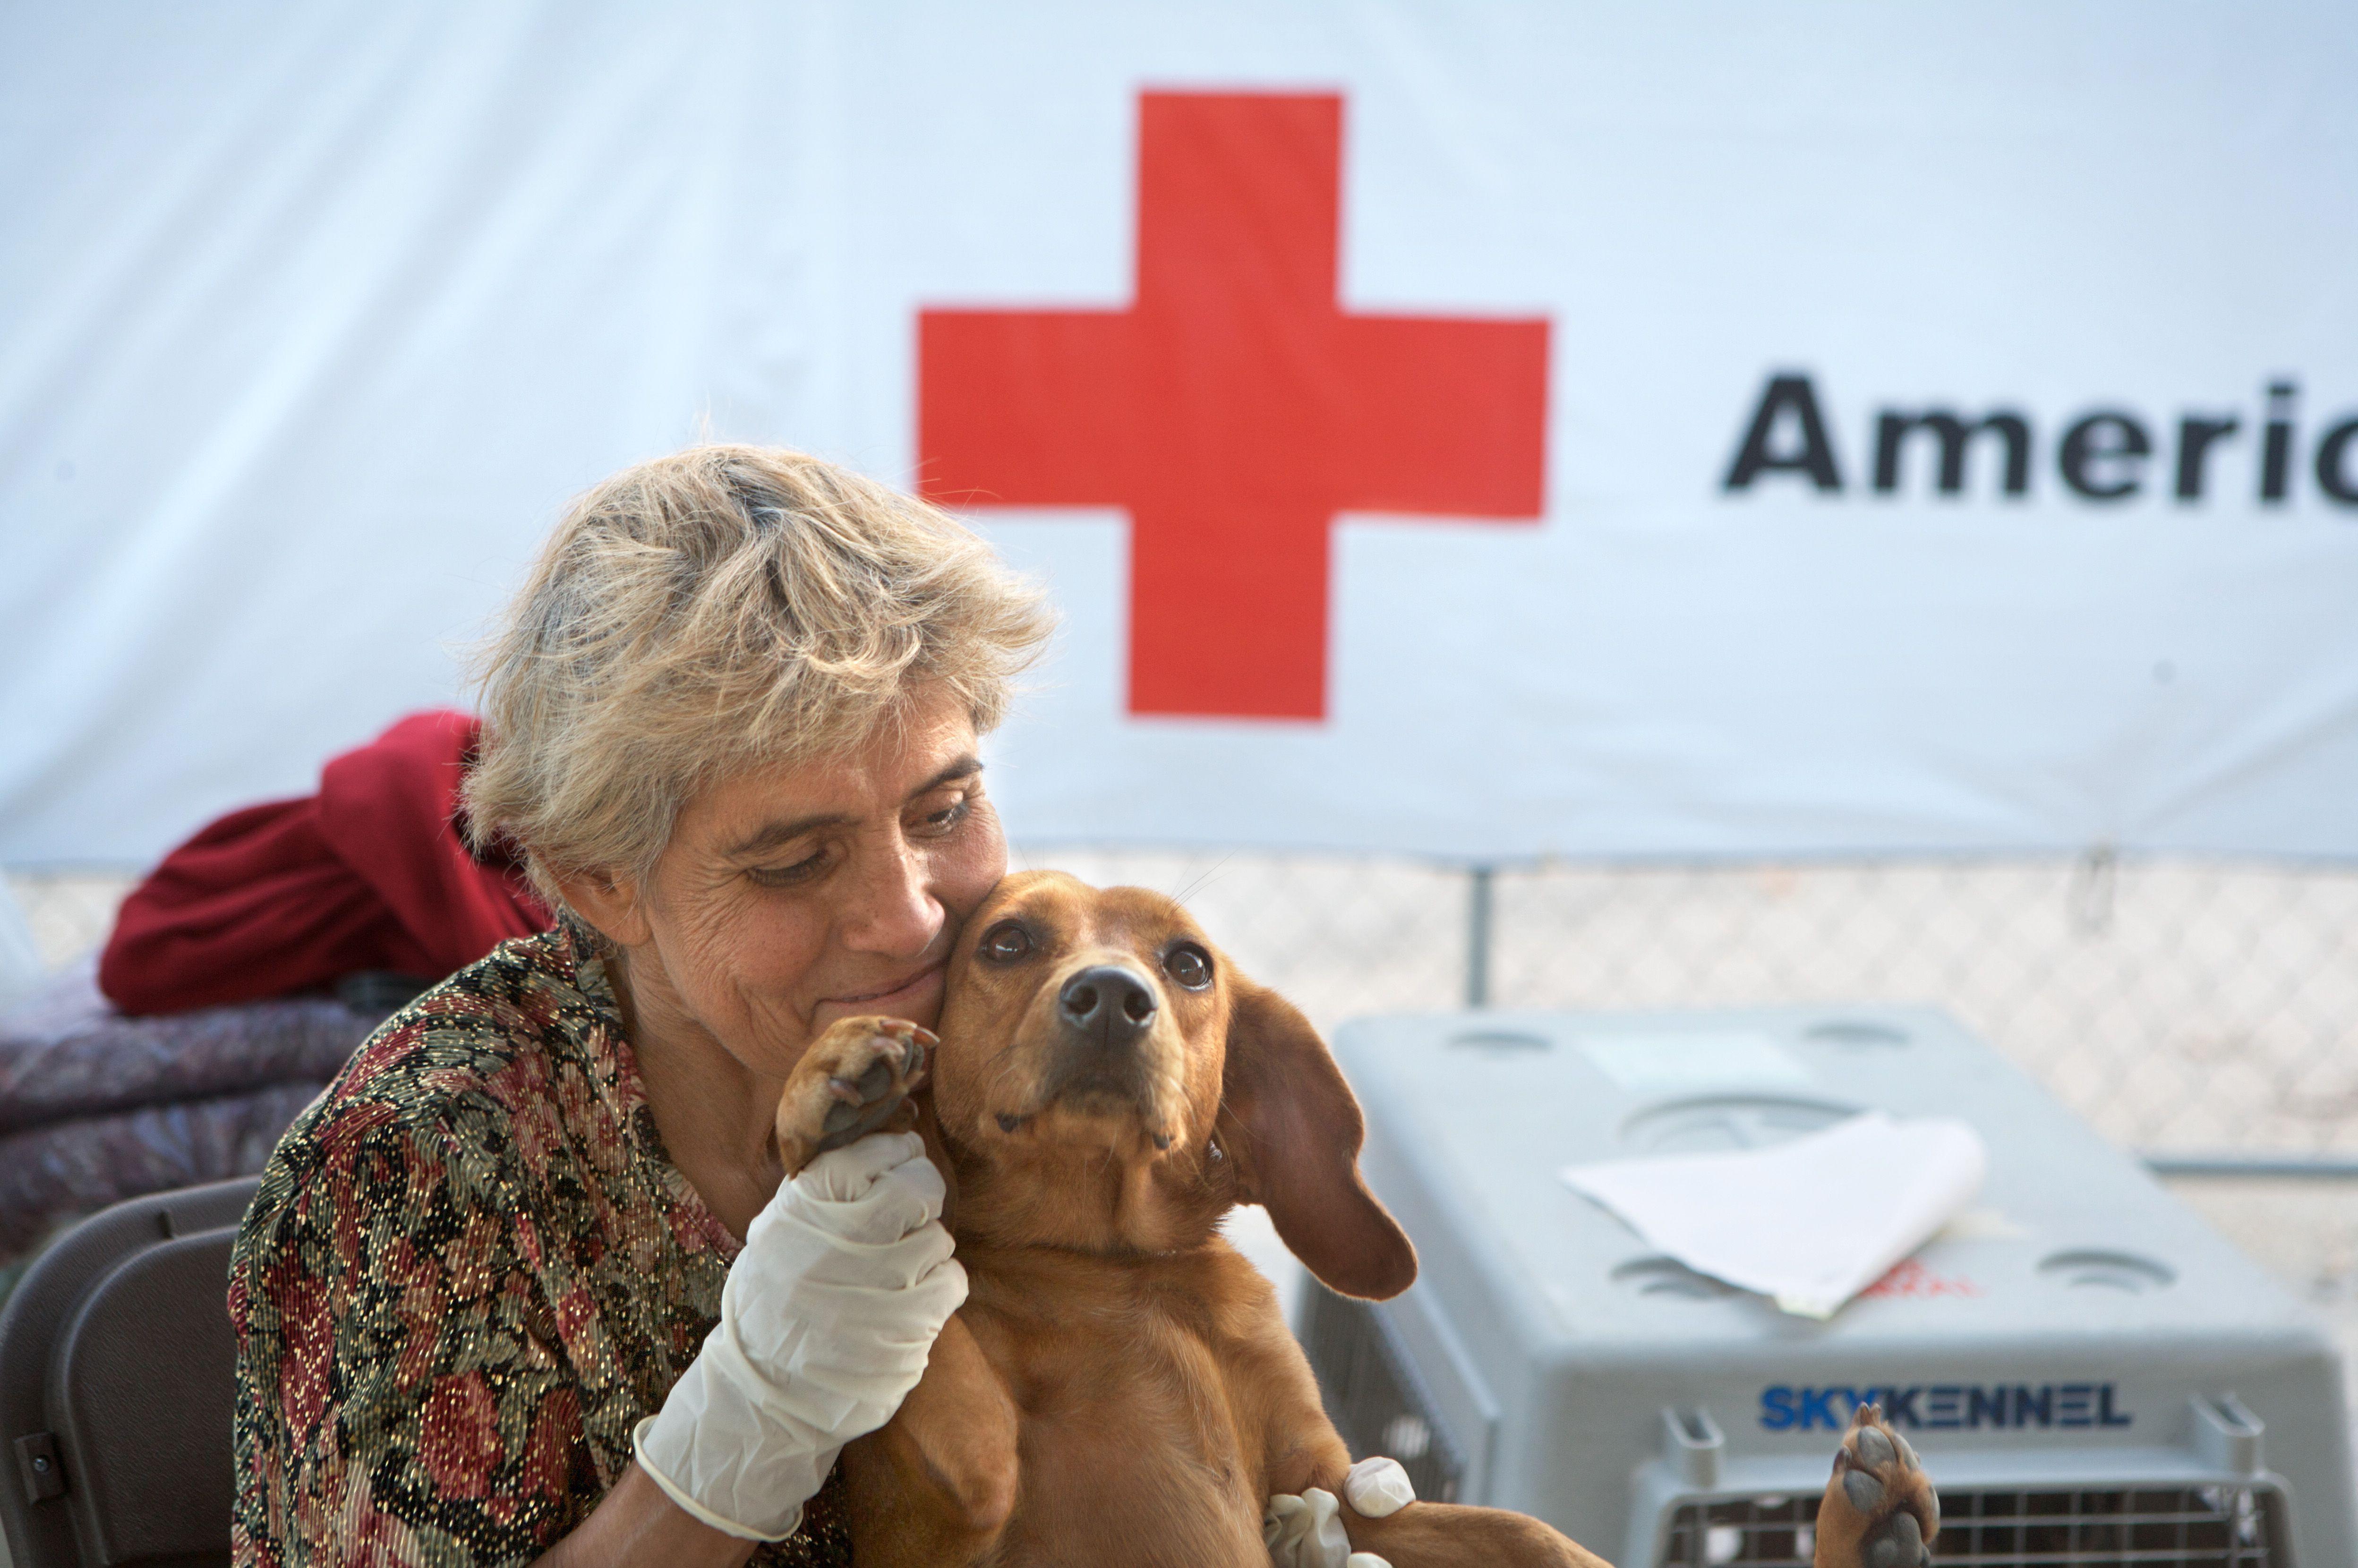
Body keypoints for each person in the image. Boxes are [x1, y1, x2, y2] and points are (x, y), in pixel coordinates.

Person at [229, 446, 1052, 1567]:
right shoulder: (427, 1159)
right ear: (600, 875)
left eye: (944, 808)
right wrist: (751, 1425)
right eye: (797, 861)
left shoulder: (1021, 1044)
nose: (907, 919)